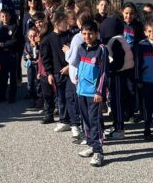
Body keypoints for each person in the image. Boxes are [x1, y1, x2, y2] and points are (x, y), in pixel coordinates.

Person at [71, 21, 108, 167]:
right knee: (85, 120)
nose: (87, 36)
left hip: (94, 93)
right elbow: (81, 66)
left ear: (96, 33)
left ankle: (99, 151)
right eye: (84, 33)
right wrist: (78, 78)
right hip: (81, 91)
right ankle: (92, 146)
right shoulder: (81, 48)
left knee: (95, 121)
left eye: (90, 33)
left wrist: (100, 91)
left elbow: (104, 73)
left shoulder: (101, 49)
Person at [64, 11, 94, 140]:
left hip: (77, 74)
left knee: (78, 104)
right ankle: (91, 132)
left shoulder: (78, 37)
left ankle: (84, 131)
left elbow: (73, 58)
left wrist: (67, 51)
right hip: (88, 75)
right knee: (89, 107)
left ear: (79, 22)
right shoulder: (94, 35)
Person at [40, 12, 71, 131]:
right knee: (61, 97)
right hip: (58, 73)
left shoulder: (69, 36)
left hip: (70, 70)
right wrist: (49, 73)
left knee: (71, 97)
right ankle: (64, 120)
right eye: (64, 22)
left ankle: (72, 119)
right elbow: (45, 58)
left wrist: (69, 66)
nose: (67, 24)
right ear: (57, 23)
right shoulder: (47, 39)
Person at [105, 22, 135, 140]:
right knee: (117, 102)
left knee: (116, 102)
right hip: (124, 74)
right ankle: (117, 125)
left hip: (118, 75)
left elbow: (118, 61)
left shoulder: (115, 41)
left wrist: (110, 69)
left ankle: (119, 128)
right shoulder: (121, 39)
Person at [0, 9, 23, 103]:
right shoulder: (0, 28)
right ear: (0, 17)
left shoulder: (15, 27)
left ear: (10, 16)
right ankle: (2, 95)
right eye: (3, 16)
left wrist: (2, 44)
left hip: (12, 54)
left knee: (13, 77)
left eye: (6, 16)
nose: (5, 18)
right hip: (3, 54)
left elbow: (14, 41)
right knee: (3, 75)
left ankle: (12, 96)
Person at [23, 27, 41, 107]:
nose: (32, 38)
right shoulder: (27, 45)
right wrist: (26, 56)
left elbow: (42, 54)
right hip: (31, 66)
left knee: (38, 83)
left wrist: (36, 46)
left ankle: (39, 99)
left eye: (34, 36)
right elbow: (24, 54)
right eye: (30, 36)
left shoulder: (40, 44)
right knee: (30, 82)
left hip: (38, 65)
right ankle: (32, 98)